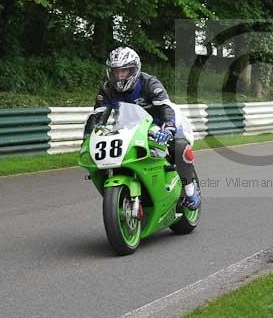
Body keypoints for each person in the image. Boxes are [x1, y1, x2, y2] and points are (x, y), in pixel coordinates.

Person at [85, 46, 200, 210]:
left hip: (160, 123)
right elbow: (97, 116)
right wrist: (88, 137)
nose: (119, 76)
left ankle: (190, 191)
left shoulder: (149, 83)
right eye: (116, 72)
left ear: (134, 70)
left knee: (179, 146)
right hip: (128, 127)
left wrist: (168, 128)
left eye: (124, 71)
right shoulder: (107, 89)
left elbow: (165, 107)